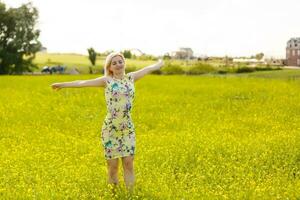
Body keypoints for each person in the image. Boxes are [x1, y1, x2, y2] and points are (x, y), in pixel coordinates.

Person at [51, 52, 164, 193]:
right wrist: (62, 84)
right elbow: (82, 83)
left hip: (127, 127)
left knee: (129, 164)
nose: (118, 64)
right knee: (113, 167)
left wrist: (159, 63)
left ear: (124, 63)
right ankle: (114, 195)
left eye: (120, 61)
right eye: (114, 63)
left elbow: (147, 69)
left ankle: (130, 195)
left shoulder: (131, 77)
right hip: (110, 129)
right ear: (110, 67)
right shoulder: (107, 81)